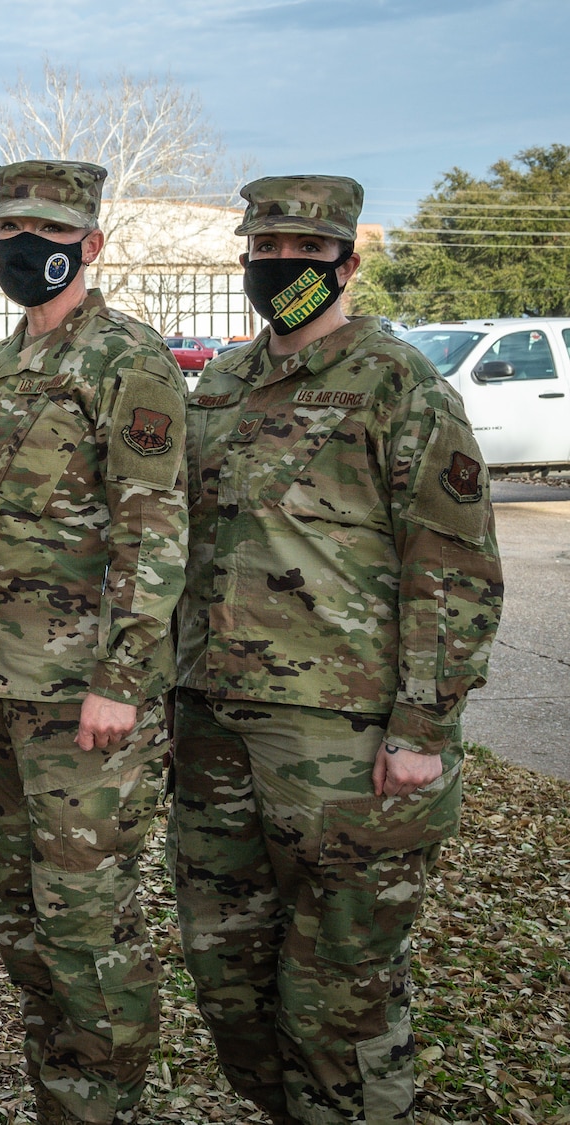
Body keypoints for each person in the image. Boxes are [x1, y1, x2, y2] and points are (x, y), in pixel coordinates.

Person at [170, 176, 503, 1125]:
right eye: (265, 249)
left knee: (340, 1001)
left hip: (346, 742)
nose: (282, 268)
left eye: (308, 254)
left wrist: (423, 723)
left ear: (347, 262)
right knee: (228, 978)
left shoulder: (398, 383)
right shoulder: (225, 382)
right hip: (213, 724)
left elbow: (453, 564)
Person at [0, 161, 189, 1125]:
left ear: (90, 244)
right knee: (18, 914)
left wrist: (121, 676)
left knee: (87, 923)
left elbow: (154, 527)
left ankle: (101, 1105)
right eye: (8, 227)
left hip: (83, 700)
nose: (23, 245)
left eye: (46, 230)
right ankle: (62, 1094)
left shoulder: (127, 359)